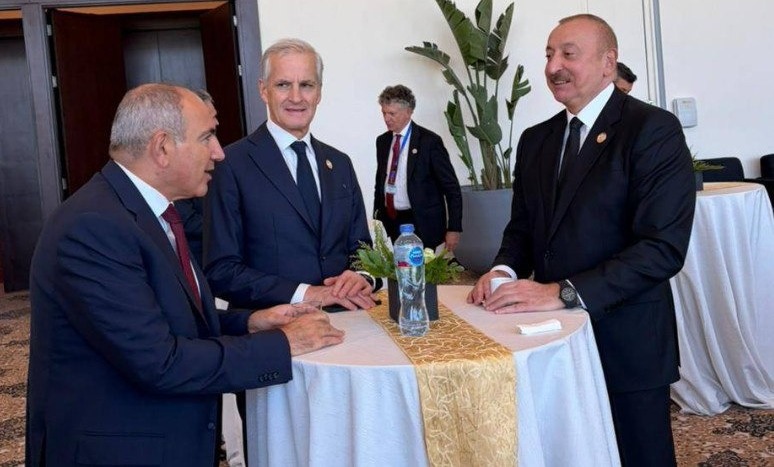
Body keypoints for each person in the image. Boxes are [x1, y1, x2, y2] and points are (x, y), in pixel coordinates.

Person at [25, 83, 344, 467]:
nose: (219, 152)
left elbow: (167, 320)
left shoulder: (149, 212)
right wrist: (284, 344)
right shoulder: (93, 228)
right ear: (162, 148)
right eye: (207, 137)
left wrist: (253, 322)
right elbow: (159, 361)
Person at [467, 14, 695, 467]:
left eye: (568, 54)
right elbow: (522, 229)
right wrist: (502, 270)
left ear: (608, 63)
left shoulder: (652, 129)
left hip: (626, 341)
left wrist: (564, 292)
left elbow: (662, 248)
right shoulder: (536, 140)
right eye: (549, 55)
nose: (554, 66)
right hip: (551, 343)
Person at [205, 38, 377, 311]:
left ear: (319, 93)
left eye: (306, 85)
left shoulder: (340, 163)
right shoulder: (231, 164)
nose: (296, 97)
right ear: (263, 90)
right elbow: (221, 270)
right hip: (275, 326)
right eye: (283, 85)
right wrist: (308, 294)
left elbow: (362, 250)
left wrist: (363, 276)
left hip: (348, 320)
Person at [373, 84, 462, 251]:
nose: (386, 118)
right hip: (393, 220)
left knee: (423, 266)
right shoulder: (383, 141)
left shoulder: (429, 142)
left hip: (423, 222)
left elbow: (452, 188)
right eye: (384, 113)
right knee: (398, 265)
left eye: (392, 113)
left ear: (408, 112)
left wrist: (454, 227)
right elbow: (380, 182)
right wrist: (377, 219)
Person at [174, 89, 213, 267]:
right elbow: (186, 220)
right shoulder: (177, 172)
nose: (216, 121)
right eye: (211, 116)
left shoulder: (211, 159)